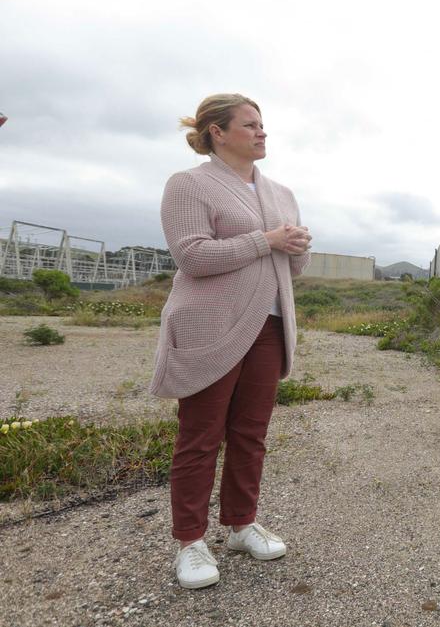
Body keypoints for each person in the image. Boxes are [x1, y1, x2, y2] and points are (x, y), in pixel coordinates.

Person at [150, 93, 313, 588]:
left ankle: (241, 525)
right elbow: (193, 256)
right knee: (200, 437)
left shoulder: (281, 192)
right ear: (217, 133)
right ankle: (190, 542)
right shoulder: (189, 185)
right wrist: (267, 240)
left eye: (263, 125)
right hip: (211, 326)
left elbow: (292, 265)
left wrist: (298, 247)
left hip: (268, 325)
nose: (262, 133)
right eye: (250, 125)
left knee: (251, 433)